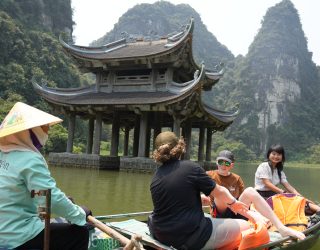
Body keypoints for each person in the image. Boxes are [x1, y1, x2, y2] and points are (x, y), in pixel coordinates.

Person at [147, 132, 304, 250]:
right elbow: (220, 192)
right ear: (180, 147)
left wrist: (200, 199)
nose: (223, 166)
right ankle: (281, 229)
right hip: (192, 237)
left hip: (160, 233)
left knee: (246, 203)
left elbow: (174, 198)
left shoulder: (156, 177)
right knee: (251, 227)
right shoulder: (190, 168)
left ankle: (278, 227)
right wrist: (237, 206)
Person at [0, 102, 91, 250]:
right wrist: (79, 214)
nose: (47, 132)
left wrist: (64, 205)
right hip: (17, 235)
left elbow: (38, 195)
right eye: (44, 127)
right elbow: (50, 197)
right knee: (80, 233)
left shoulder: (3, 154)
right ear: (29, 131)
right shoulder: (29, 159)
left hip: (4, 231)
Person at [203, 150, 306, 238]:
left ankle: (282, 228)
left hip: (237, 211)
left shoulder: (236, 178)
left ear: (232, 165)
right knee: (221, 193)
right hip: (221, 212)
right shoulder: (208, 175)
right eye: (221, 162)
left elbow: (242, 199)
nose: (223, 165)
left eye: (227, 163)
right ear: (217, 162)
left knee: (251, 190)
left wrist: (254, 212)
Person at [255, 144, 320, 213]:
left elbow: (288, 187)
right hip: (261, 196)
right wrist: (282, 192)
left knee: (299, 200)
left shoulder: (279, 171)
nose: (276, 156)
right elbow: (267, 183)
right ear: (269, 155)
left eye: (279, 154)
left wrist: (302, 197)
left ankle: (316, 209)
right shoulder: (264, 166)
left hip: (273, 195)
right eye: (273, 154)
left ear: (282, 157)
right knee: (291, 204)